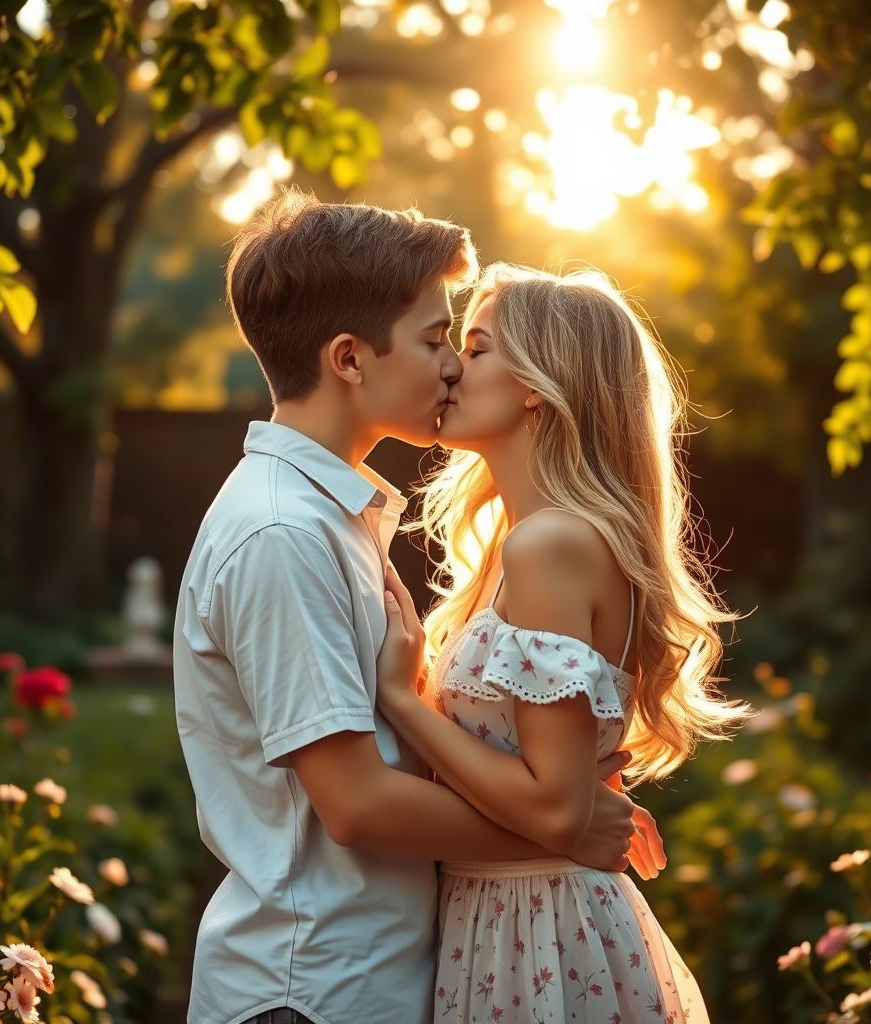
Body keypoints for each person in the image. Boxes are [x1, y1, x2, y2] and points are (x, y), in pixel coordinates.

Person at [172, 193, 650, 1024]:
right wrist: (565, 834)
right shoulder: (283, 531)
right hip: (316, 990)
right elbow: (357, 804)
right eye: (438, 340)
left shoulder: (337, 519)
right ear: (350, 359)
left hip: (376, 976)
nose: (452, 366)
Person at [374, 263, 751, 1023]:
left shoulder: (548, 546)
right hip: (511, 920)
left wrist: (400, 702)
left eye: (476, 349)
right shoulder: (522, 545)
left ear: (537, 386)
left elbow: (553, 808)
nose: (451, 366)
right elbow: (562, 783)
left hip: (536, 931)